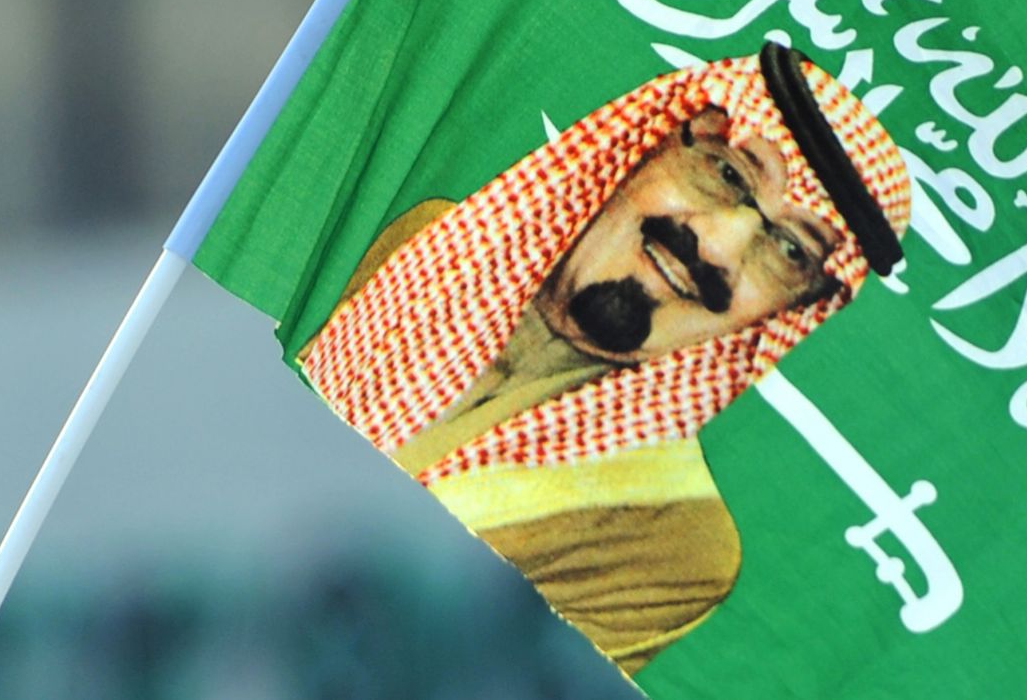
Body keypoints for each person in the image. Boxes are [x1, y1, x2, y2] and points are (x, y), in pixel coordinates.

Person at [298, 43, 911, 673]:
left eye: (787, 251)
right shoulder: (426, 249)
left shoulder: (676, 543)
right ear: (659, 142)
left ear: (791, 309)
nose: (719, 245)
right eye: (728, 175)